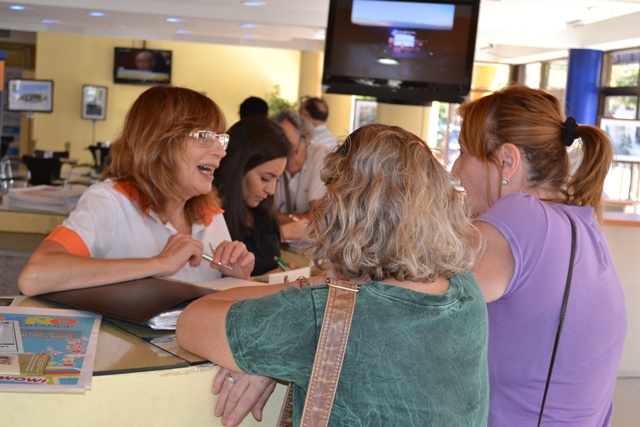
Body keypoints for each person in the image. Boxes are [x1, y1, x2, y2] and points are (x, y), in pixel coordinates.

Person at [176, 124, 489, 426]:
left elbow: (191, 321)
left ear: (343, 210)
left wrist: (311, 288)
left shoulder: (329, 314)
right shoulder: (465, 289)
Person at [450, 84, 627, 425]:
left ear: (507, 161)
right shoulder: (583, 225)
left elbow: (413, 304)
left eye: (463, 153)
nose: (455, 170)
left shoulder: (521, 216)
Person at [18, 85, 254, 296]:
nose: (221, 152)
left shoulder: (210, 213)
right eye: (204, 137)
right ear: (159, 143)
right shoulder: (110, 201)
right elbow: (35, 276)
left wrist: (233, 276)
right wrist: (158, 264)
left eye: (220, 139)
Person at [213, 115, 292, 276]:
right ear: (238, 167)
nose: (271, 190)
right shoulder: (212, 219)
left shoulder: (262, 214)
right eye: (266, 178)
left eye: (277, 179)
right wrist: (265, 280)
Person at [271, 109, 330, 239]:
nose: (288, 158)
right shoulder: (272, 160)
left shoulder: (321, 156)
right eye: (281, 150)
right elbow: (258, 215)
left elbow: (316, 217)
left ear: (306, 140)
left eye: (292, 149)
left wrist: (276, 219)